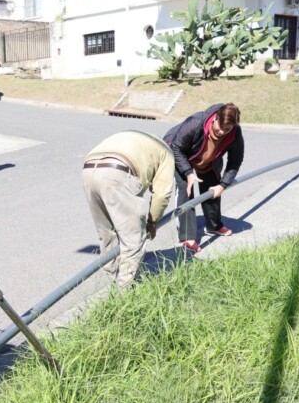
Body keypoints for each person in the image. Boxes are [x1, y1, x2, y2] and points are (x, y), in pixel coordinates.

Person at [81, 130, 175, 288]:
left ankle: (110, 284)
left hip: (89, 170)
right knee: (133, 241)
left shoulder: (141, 139)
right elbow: (162, 194)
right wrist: (152, 222)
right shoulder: (167, 153)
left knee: (107, 234)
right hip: (120, 172)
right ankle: (123, 294)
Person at [163, 103, 244, 254]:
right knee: (186, 190)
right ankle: (187, 237)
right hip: (179, 152)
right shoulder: (196, 122)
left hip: (207, 158)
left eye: (227, 129)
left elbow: (235, 161)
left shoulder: (234, 133)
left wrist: (223, 185)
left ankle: (213, 226)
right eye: (220, 127)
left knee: (213, 187)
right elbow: (176, 147)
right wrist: (188, 172)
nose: (221, 132)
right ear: (215, 119)